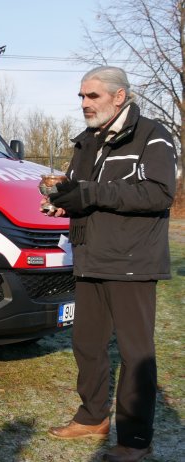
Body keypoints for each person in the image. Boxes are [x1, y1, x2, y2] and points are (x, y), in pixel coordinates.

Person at [45, 66, 177, 462]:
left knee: (137, 355)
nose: (84, 104)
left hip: (132, 261)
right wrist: (59, 201)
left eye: (93, 96)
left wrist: (87, 193)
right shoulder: (86, 141)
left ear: (120, 96)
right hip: (89, 258)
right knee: (86, 344)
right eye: (81, 97)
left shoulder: (153, 135)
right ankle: (92, 418)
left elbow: (158, 193)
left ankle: (135, 441)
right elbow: (79, 191)